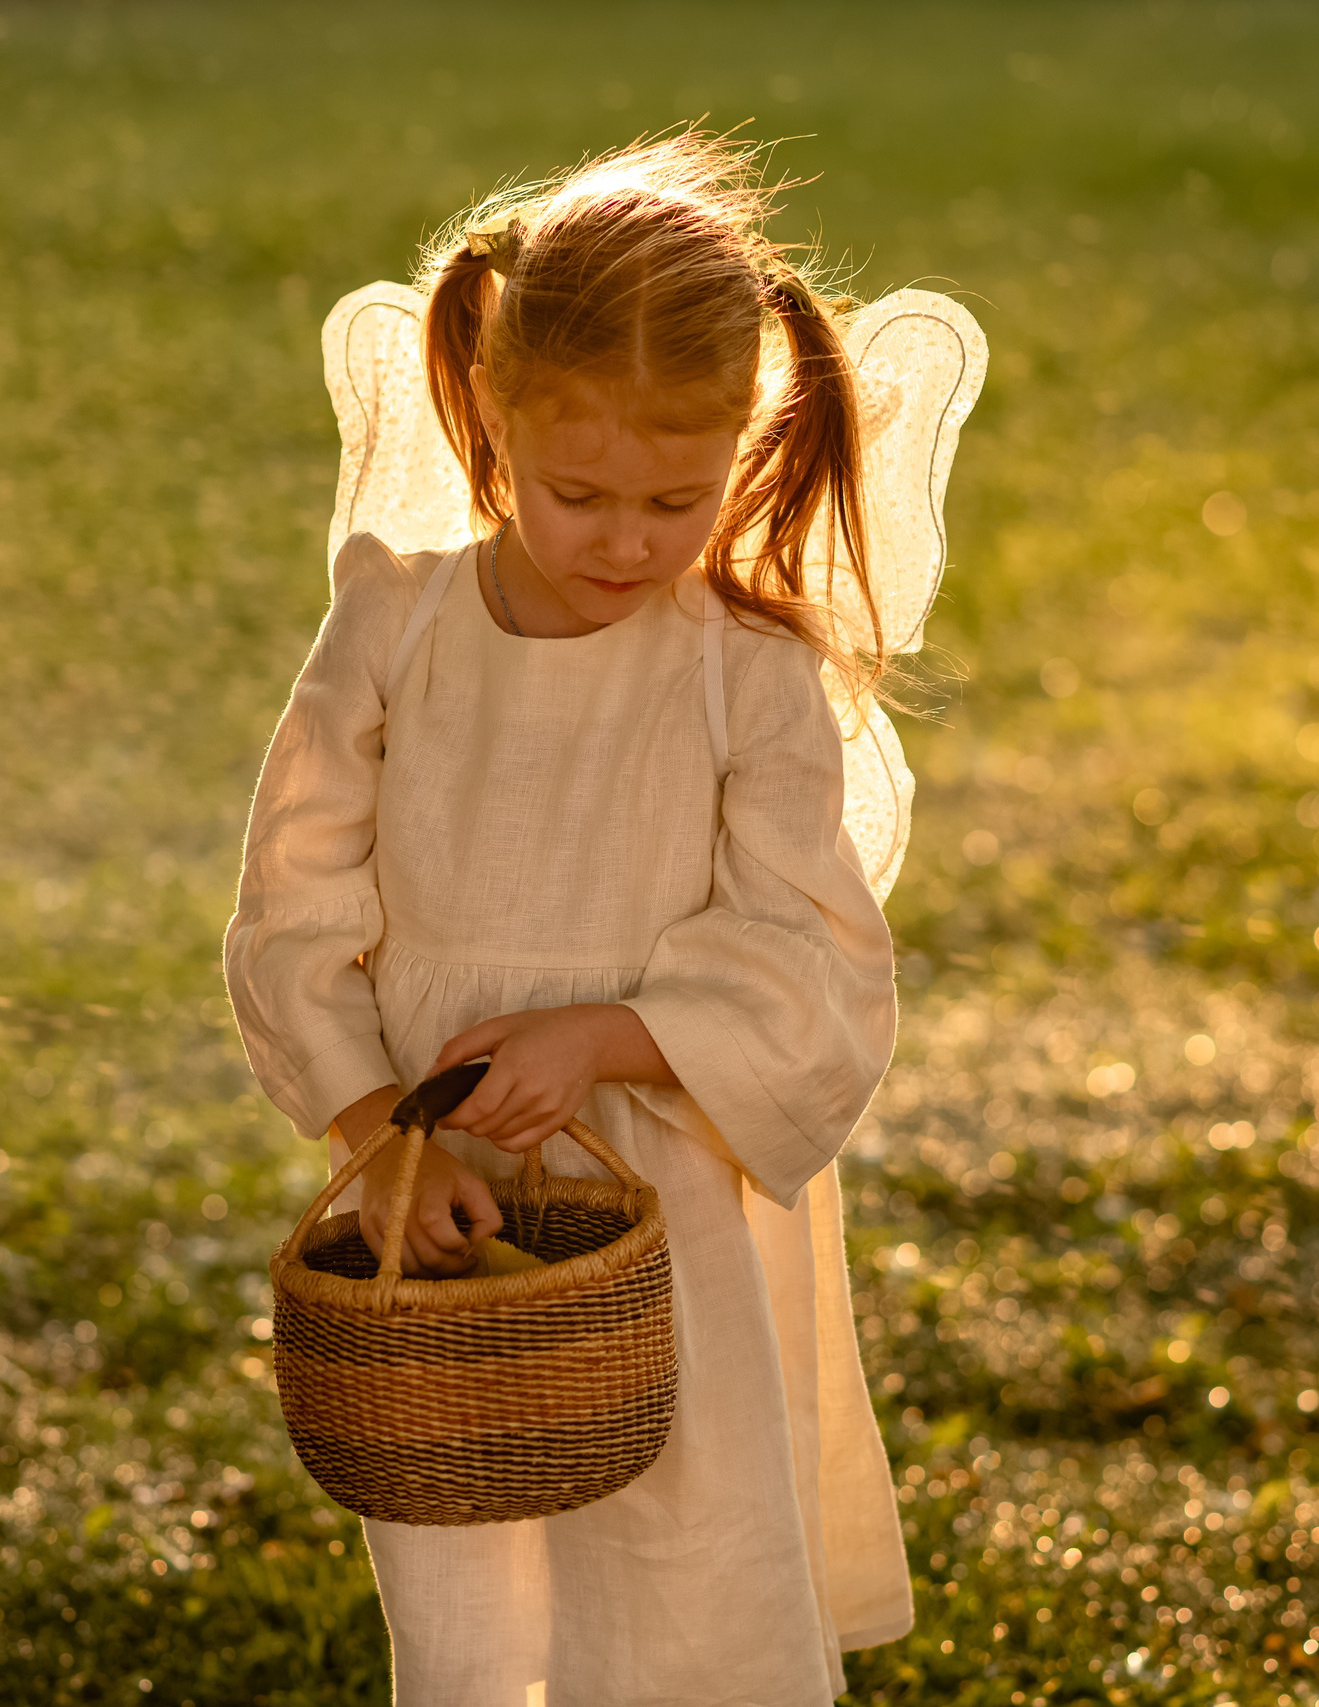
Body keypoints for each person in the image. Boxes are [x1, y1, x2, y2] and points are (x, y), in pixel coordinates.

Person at [224, 132, 983, 1705]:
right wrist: (381, 1132)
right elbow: (293, 902)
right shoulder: (394, 622)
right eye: (578, 495)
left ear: (741, 451)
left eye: (675, 499)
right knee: (475, 1563)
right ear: (496, 423)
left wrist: (616, 1036)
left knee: (681, 1559)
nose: (629, 543)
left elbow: (813, 950)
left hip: (674, 1187)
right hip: (446, 1184)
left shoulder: (744, 673)